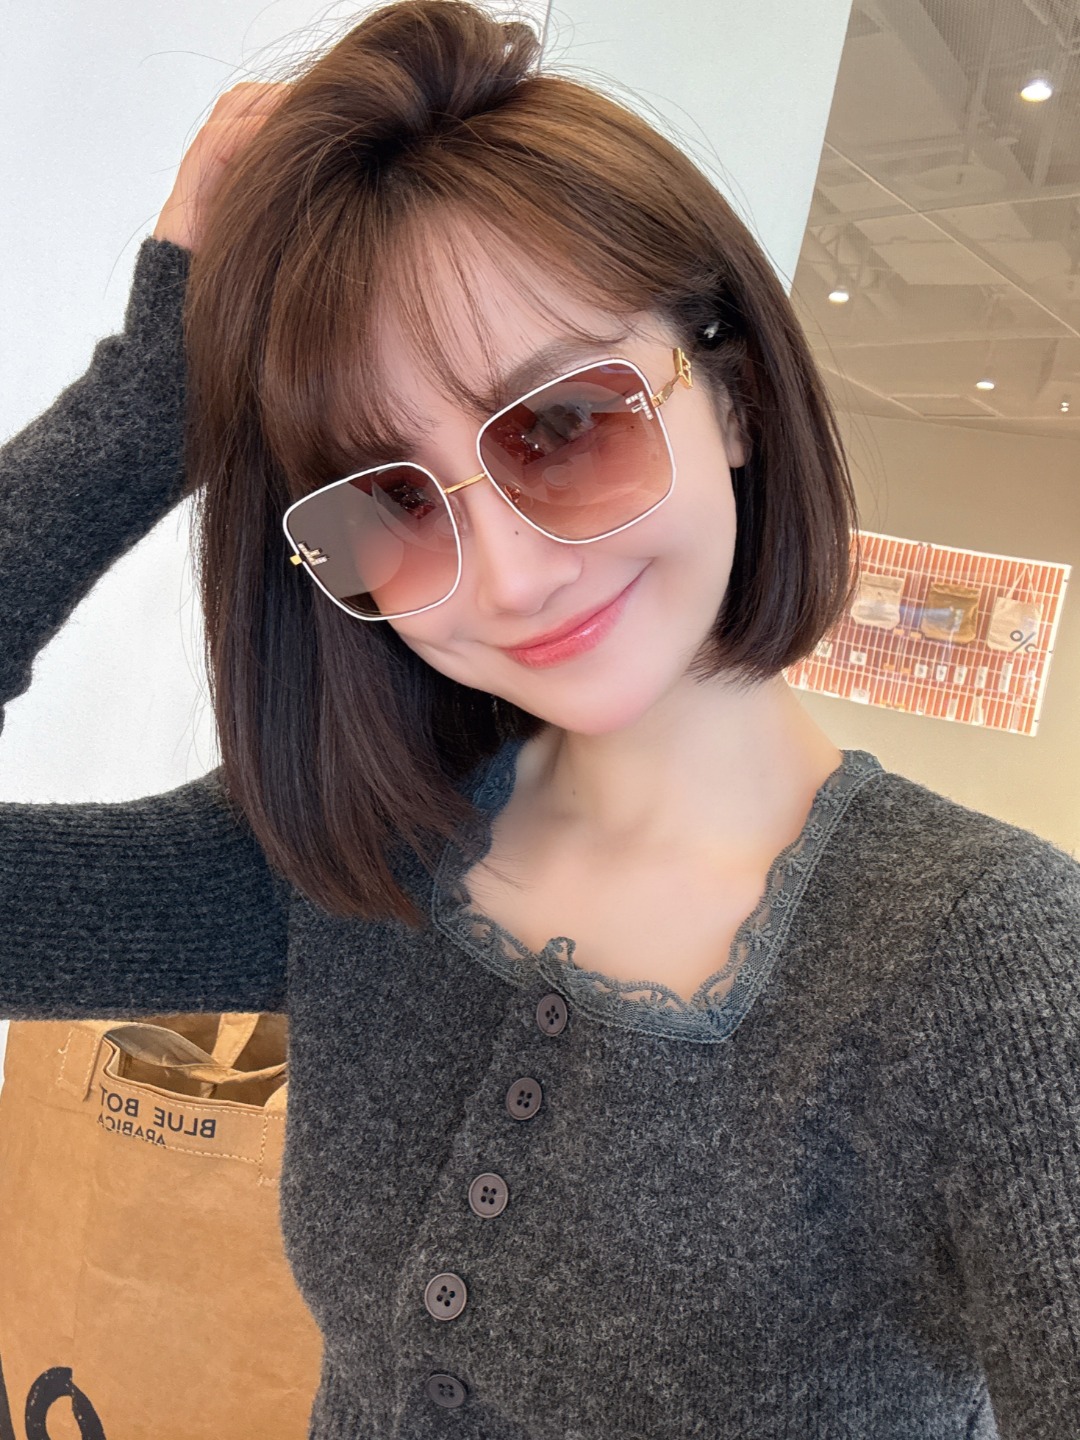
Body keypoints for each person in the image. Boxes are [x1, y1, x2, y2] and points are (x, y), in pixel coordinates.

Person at [2, 3, 1079, 1436]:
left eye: (566, 426)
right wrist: (150, 399)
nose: (506, 577)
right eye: (389, 501)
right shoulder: (363, 852)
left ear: (735, 396)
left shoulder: (996, 972)